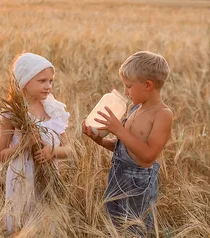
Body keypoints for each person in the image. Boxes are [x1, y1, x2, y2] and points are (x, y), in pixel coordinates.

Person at [82, 51, 173, 236]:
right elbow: (123, 146)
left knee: (134, 229)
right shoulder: (134, 108)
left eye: (128, 86)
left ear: (148, 85)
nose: (125, 92)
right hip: (118, 175)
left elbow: (148, 155)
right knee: (115, 227)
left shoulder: (162, 114)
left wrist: (119, 130)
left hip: (138, 183)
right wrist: (99, 139)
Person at [0, 52, 71, 233]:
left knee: (47, 224)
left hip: (49, 181)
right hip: (22, 180)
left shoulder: (54, 110)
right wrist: (24, 144)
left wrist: (52, 151)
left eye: (51, 81)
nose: (48, 86)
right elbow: (1, 155)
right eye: (42, 81)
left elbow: (69, 149)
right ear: (24, 81)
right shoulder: (12, 114)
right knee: (22, 225)